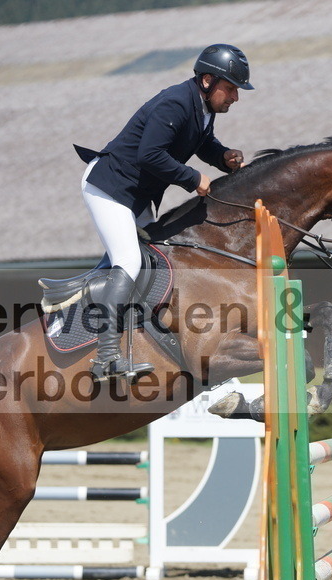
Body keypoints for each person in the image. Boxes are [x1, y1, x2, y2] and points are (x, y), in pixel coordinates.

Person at [75, 43, 252, 383]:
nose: (235, 97)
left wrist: (222, 156)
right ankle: (106, 358)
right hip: (109, 187)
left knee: (159, 259)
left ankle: (137, 331)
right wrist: (192, 178)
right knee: (129, 261)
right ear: (207, 81)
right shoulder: (175, 102)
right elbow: (150, 155)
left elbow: (202, 142)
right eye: (231, 88)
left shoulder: (201, 107)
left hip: (135, 195)